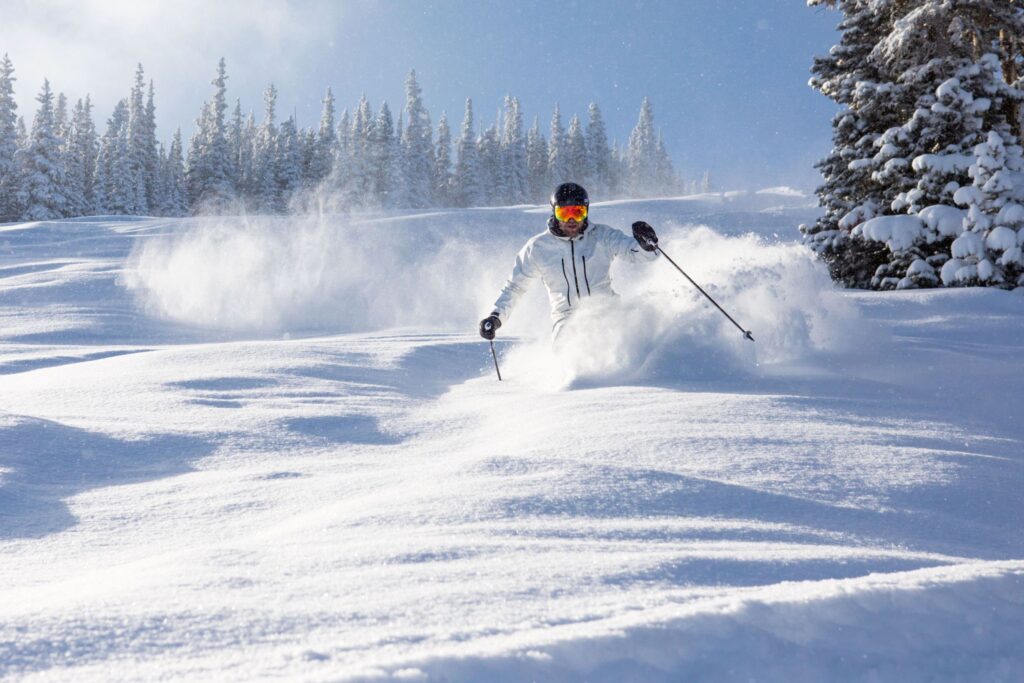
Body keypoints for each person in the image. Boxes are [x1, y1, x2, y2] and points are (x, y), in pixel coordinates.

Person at [479, 182, 660, 342]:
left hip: (608, 311)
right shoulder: (538, 248)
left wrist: (647, 246)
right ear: (555, 212)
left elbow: (635, 253)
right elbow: (515, 287)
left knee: (627, 341)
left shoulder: (603, 236)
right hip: (567, 318)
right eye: (564, 213)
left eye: (578, 212)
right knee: (570, 350)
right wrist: (496, 317)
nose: (571, 220)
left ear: (586, 212)